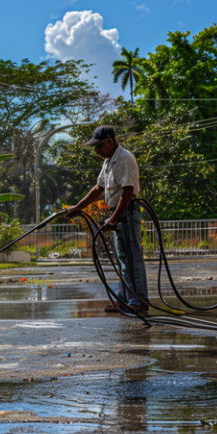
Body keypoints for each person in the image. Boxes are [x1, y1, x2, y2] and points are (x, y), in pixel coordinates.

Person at [66, 125, 149, 313]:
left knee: (131, 258)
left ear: (110, 142)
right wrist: (78, 207)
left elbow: (127, 193)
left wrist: (113, 219)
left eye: (99, 146)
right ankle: (123, 299)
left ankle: (139, 301)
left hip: (127, 212)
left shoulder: (124, 160)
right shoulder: (109, 160)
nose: (96, 151)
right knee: (122, 259)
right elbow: (98, 188)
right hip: (119, 214)